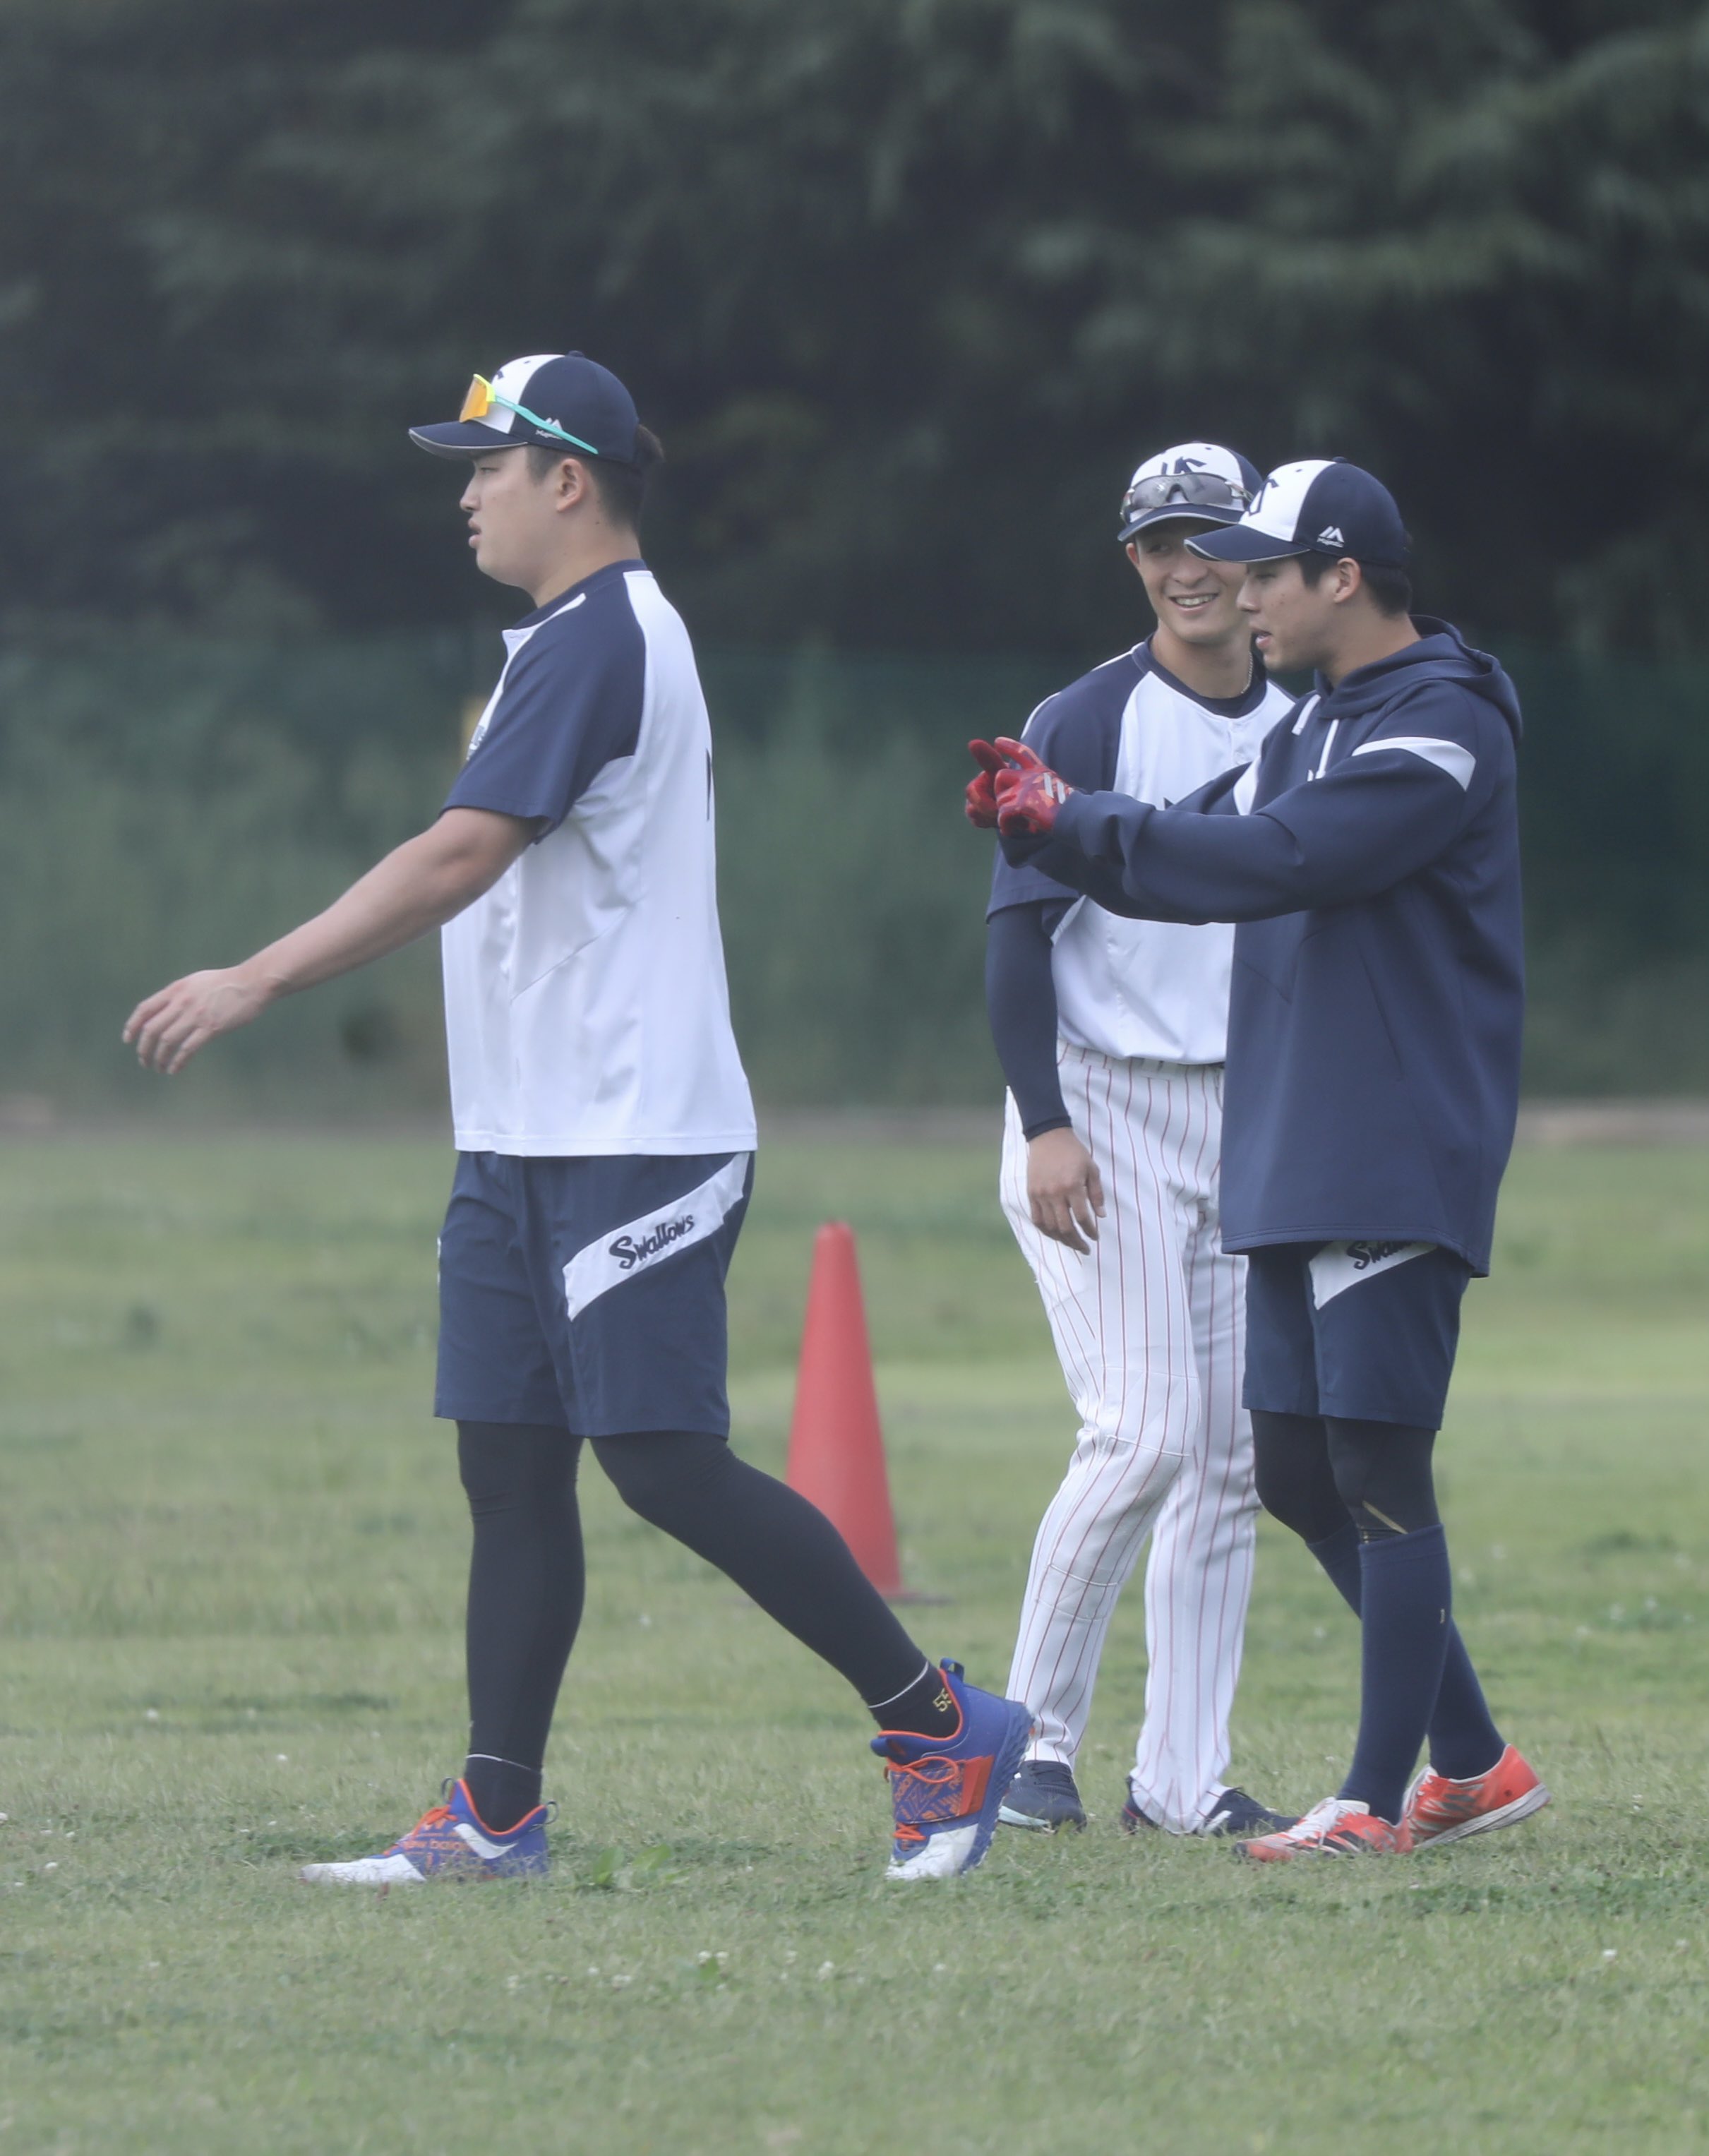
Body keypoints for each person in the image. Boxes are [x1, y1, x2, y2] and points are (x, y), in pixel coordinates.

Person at [124, 350, 1032, 1885]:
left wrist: (255, 976)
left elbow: (457, 855)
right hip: (520, 1135)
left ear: (566, 479)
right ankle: (495, 1814)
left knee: (662, 1463)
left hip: (635, 1131)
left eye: (486, 468)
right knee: (507, 1466)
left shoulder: (602, 635)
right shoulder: (558, 643)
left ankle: (941, 1725)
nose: (467, 496)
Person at [972, 459, 1549, 1859]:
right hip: (1291, 1137)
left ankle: (1371, 1799)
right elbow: (1200, 857)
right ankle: (1475, 1759)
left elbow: (1284, 859)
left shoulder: (1438, 726)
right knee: (1286, 1467)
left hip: (1389, 1137)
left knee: (1374, 1470)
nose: (1236, 589)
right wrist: (1055, 823)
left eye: (1262, 567)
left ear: (1339, 577)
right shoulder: (1318, 723)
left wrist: (1076, 817)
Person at [969, 443, 1297, 1840]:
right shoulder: (1089, 716)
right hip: (1095, 1104)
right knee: (1143, 1431)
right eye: (1161, 543)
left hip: (1241, 1109)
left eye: (1211, 539)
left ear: (1259, 559)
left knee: (1230, 1457)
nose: (1187, 567)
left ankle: (1180, 1777)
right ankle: (1023, 1747)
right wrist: (1043, 1123)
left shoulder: (1306, 718)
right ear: (1133, 562)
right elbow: (1014, 935)